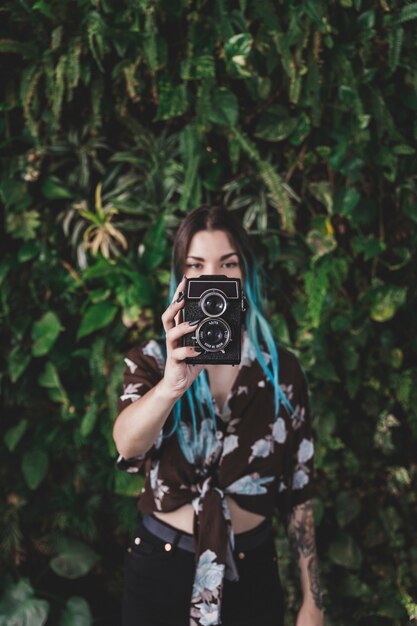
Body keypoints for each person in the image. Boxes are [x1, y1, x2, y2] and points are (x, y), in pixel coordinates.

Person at [113, 206, 324, 626]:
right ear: (181, 279)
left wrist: (313, 602)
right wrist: (172, 385)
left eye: (228, 263)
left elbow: (299, 492)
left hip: (251, 570)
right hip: (161, 567)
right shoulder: (153, 361)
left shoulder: (281, 371)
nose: (214, 276)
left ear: (245, 274)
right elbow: (127, 443)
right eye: (197, 265)